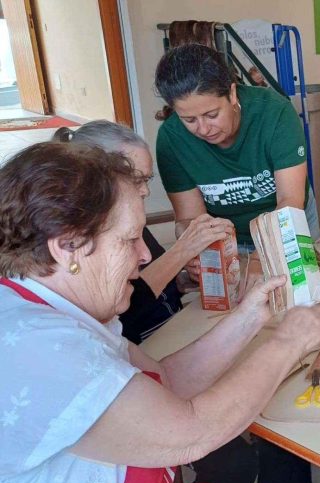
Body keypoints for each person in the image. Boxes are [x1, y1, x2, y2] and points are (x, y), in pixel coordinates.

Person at [0, 142, 320, 483]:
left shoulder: (56, 308)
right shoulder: (38, 350)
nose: (145, 255)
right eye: (129, 240)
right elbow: (192, 433)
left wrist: (248, 317)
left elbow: (164, 381)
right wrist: (288, 343)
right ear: (69, 246)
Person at [53, 121, 233, 344]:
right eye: (136, 180)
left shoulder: (129, 221)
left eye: (147, 179)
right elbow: (123, 309)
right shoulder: (86, 239)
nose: (145, 190)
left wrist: (179, 281)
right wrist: (181, 251)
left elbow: (147, 278)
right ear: (94, 178)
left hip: (173, 328)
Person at [154, 43, 320, 254]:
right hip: (226, 238)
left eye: (212, 115)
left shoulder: (274, 113)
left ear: (232, 94)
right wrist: (196, 250)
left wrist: (264, 261)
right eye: (189, 120)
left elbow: (290, 201)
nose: (204, 129)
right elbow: (191, 218)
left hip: (284, 222)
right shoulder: (172, 139)